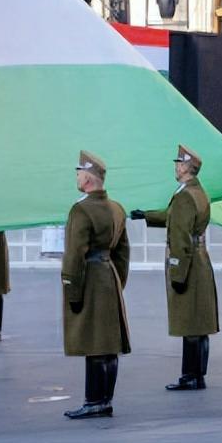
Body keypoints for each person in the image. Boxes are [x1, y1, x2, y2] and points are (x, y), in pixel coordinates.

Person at [130, 144, 218, 390]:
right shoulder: (197, 192)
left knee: (189, 322)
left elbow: (179, 236)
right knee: (199, 322)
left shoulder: (184, 196)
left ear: (185, 167)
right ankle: (198, 374)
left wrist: (176, 272)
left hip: (188, 263)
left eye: (178, 163)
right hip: (199, 260)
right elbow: (173, 216)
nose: (176, 167)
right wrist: (147, 215)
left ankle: (190, 376)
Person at [62, 150, 130, 419]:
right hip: (108, 275)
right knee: (108, 343)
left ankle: (93, 401)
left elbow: (74, 254)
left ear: (88, 178)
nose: (77, 177)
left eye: (79, 172)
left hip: (89, 278)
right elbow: (123, 252)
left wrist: (71, 288)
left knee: (93, 342)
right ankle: (105, 399)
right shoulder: (117, 209)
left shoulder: (81, 210)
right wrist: (117, 280)